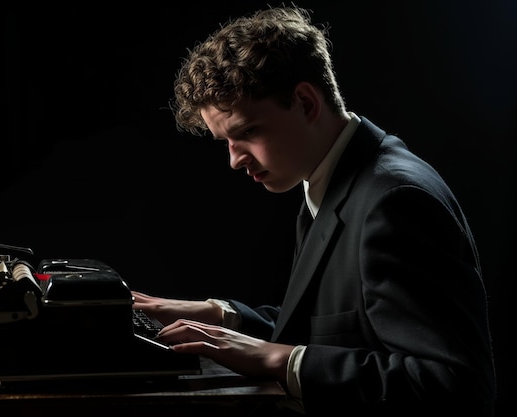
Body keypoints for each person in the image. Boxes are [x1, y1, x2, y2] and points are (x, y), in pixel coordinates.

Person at [132, 5, 496, 416]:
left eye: (247, 133)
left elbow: (454, 387)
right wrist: (221, 317)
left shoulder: (394, 201)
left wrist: (278, 360)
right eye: (225, 142)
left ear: (305, 102)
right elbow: (341, 335)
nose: (235, 160)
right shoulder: (332, 177)